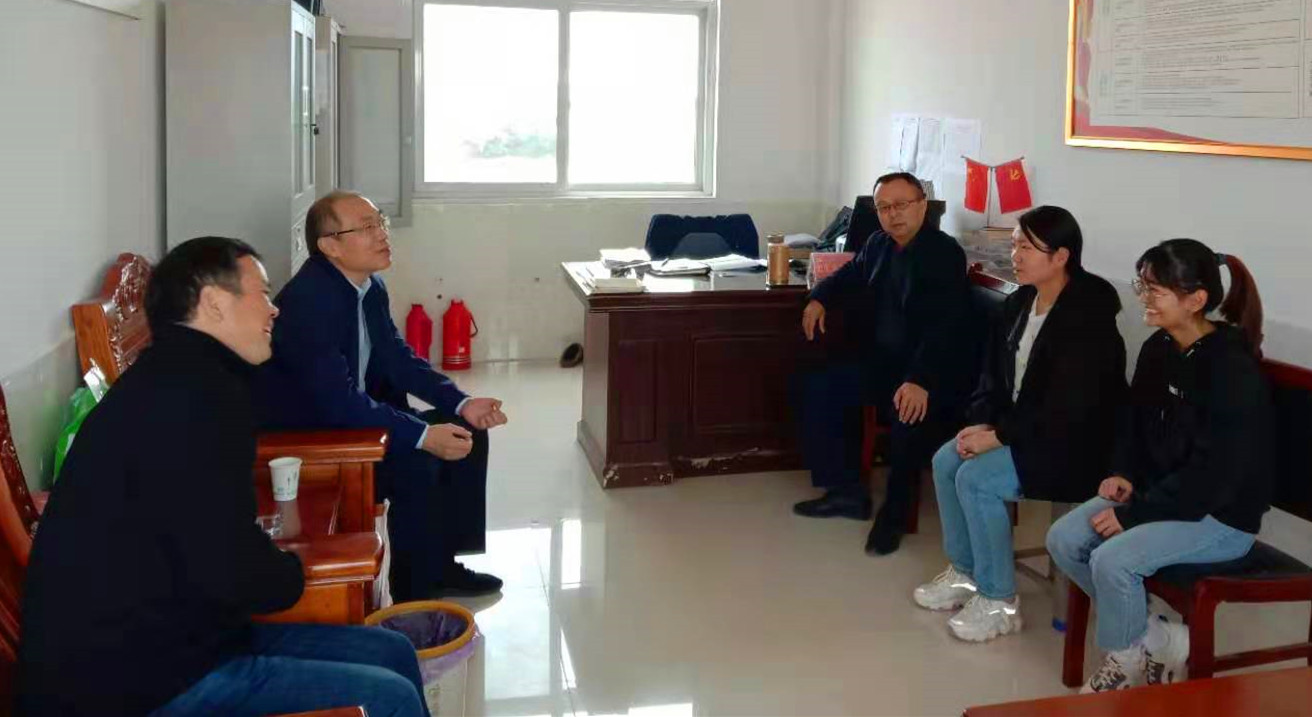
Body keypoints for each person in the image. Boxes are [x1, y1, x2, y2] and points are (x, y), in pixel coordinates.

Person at [17, 238, 427, 717]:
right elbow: (229, 566)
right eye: (263, 293)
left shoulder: (186, 376)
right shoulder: (194, 397)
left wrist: (272, 564)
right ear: (213, 302)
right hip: (136, 680)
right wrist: (289, 572)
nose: (274, 309)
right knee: (388, 695)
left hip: (187, 636)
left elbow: (209, 535)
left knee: (393, 652)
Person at [1046, 239, 1273, 693]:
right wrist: (1123, 472)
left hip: (1220, 517)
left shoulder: (1230, 368)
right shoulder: (1159, 347)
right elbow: (1132, 422)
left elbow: (1214, 476)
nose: (1144, 298)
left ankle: (1126, 663)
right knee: (1064, 538)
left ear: (1196, 299)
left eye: (1155, 289)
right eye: (1142, 285)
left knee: (1112, 559)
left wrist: (1134, 514)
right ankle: (1155, 639)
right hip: (1163, 497)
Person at [260, 192, 507, 602]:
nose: (381, 234)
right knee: (419, 459)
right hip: (315, 437)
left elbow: (396, 357)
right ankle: (415, 590)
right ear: (330, 246)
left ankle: (442, 567)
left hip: (352, 414)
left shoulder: (368, 285)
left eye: (380, 222)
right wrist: (422, 435)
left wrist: (461, 403)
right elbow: (336, 402)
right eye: (366, 227)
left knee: (467, 431)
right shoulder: (308, 302)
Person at [913, 206, 1126, 642]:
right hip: (1021, 430)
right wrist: (981, 425)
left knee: (977, 480)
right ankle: (967, 573)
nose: (1016, 255)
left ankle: (1000, 601)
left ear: (1061, 256)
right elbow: (992, 378)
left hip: (1073, 445)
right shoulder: (1019, 302)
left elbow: (1069, 405)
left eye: (1026, 247)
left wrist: (999, 437)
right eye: (1014, 245)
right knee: (946, 460)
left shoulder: (1089, 314)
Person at [796, 172, 975, 555]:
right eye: (883, 207)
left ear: (922, 205)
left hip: (928, 371)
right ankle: (847, 492)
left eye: (902, 205)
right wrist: (819, 297)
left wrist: (919, 379)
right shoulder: (878, 243)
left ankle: (894, 515)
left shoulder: (943, 254)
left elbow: (946, 326)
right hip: (884, 364)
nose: (893, 214)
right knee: (821, 385)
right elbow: (850, 273)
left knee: (906, 415)